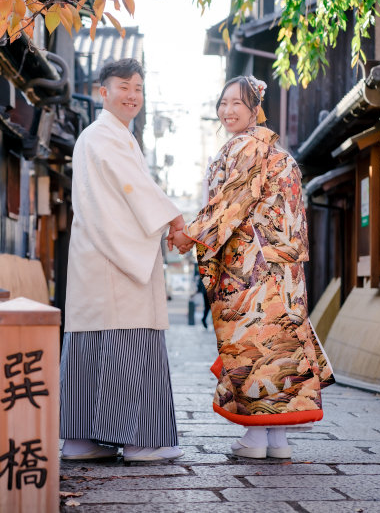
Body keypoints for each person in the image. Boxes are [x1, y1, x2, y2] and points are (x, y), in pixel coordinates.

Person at [169, 75, 334, 459]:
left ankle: (256, 438)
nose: (227, 110)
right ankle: (277, 441)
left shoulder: (245, 147)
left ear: (254, 109)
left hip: (252, 268)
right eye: (223, 103)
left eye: (237, 104)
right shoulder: (278, 154)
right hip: (285, 269)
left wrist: (189, 235)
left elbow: (230, 203)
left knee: (255, 348)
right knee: (282, 348)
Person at [60, 58, 185, 462]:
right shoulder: (105, 137)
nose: (132, 96)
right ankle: (138, 441)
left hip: (95, 255)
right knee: (128, 346)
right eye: (124, 87)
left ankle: (81, 439)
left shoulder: (104, 136)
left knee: (89, 348)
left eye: (138, 89)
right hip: (116, 258)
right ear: (103, 92)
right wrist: (174, 218)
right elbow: (136, 191)